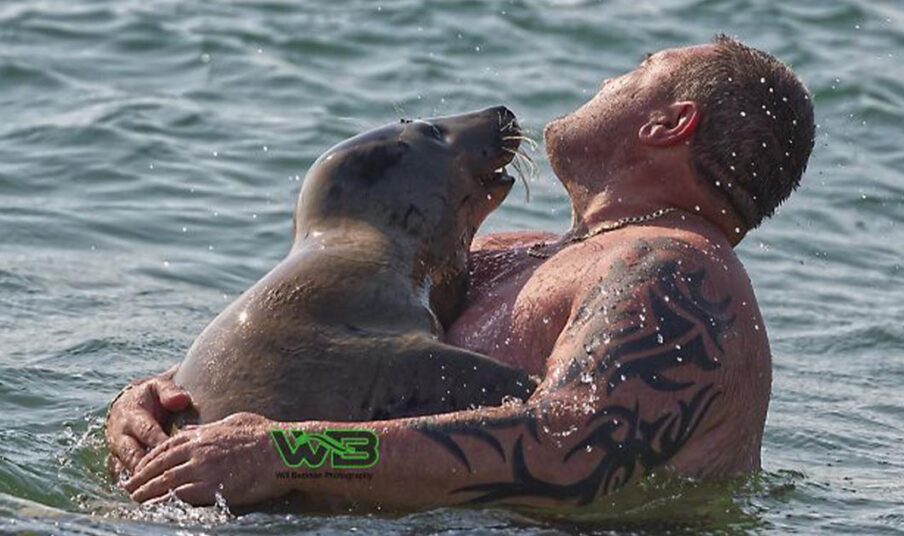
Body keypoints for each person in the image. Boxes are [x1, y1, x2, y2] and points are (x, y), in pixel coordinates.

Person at [106, 34, 815, 510]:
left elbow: (573, 450)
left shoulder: (676, 273)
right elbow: (310, 354)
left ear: (668, 124)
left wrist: (288, 451)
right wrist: (161, 408)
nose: (607, 79)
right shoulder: (519, 254)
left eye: (634, 73)